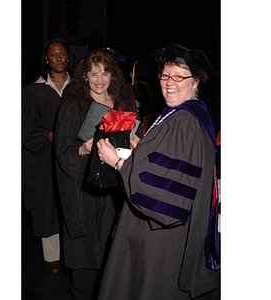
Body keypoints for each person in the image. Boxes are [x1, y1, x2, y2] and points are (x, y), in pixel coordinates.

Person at [96, 43, 220, 300]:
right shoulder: (191, 114)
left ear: (195, 82)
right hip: (172, 232)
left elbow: (164, 193)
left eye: (178, 76)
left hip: (159, 238)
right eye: (165, 75)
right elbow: (173, 163)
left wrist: (118, 163)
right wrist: (142, 151)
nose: (169, 82)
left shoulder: (183, 120)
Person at [55, 48, 141, 300]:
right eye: (93, 73)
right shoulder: (73, 106)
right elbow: (62, 153)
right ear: (84, 76)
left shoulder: (123, 104)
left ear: (113, 75)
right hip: (83, 192)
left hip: (115, 191)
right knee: (86, 260)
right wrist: (83, 148)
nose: (100, 79)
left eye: (105, 73)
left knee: (111, 258)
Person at [22, 38, 71, 274]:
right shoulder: (34, 90)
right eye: (54, 54)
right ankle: (52, 256)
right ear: (46, 59)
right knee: (48, 205)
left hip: (74, 157)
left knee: (73, 202)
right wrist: (48, 135)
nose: (59, 58)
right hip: (45, 158)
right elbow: (27, 130)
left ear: (69, 58)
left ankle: (72, 252)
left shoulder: (80, 87)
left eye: (63, 54)